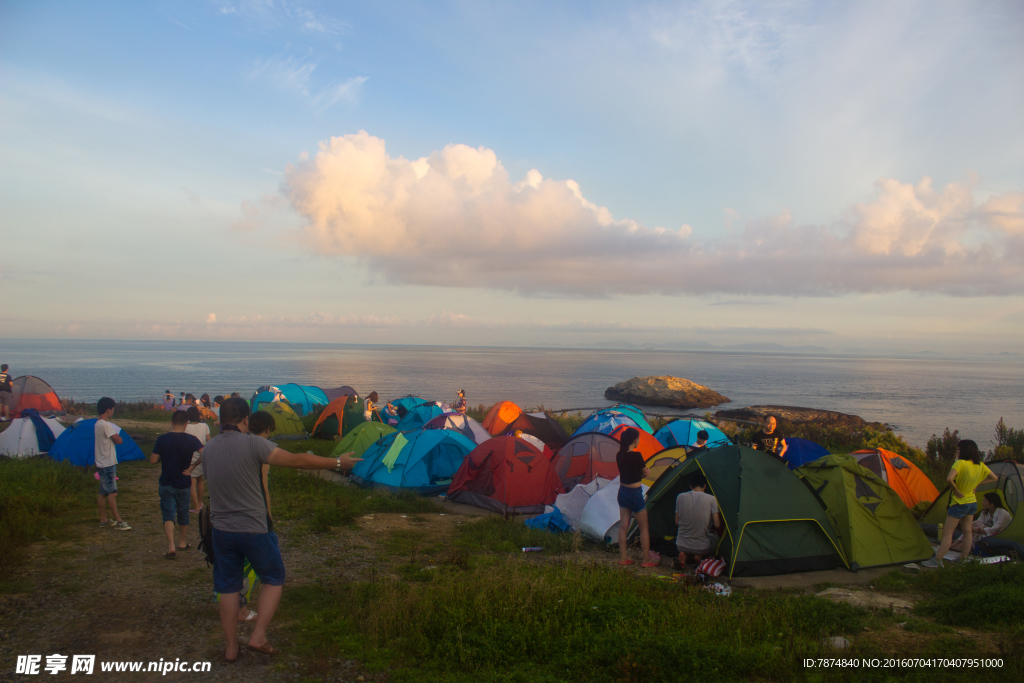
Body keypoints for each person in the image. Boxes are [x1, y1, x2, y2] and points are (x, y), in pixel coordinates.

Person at [197, 397, 362, 661]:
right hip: (254, 528)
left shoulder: (209, 449)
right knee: (273, 578)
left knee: (228, 587)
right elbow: (297, 460)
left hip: (221, 531)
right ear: (246, 420)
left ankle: (230, 648)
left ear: (220, 419)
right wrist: (338, 463)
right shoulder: (254, 443)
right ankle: (258, 635)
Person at [923, 440, 998, 568]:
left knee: (947, 533)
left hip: (959, 503)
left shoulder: (960, 463)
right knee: (967, 532)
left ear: (964, 450)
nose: (957, 452)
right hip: (972, 503)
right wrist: (977, 483)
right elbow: (994, 478)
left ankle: (937, 560)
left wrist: (956, 490)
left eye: (958, 449)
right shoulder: (980, 465)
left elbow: (949, 479)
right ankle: (963, 559)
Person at [151, 410, 204, 559]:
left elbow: (153, 460)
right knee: (183, 512)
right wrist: (193, 466)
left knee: (168, 513)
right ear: (186, 424)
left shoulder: (162, 439)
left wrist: (163, 457)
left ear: (171, 423)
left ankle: (171, 545)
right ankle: (182, 541)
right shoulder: (191, 439)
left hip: (166, 481)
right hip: (184, 482)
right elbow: (205, 452)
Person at [615, 427, 656, 567]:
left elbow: (628, 472)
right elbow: (645, 473)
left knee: (623, 526)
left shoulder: (619, 455)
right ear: (634, 440)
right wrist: (646, 473)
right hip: (635, 493)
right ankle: (646, 560)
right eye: (638, 438)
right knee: (644, 528)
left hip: (622, 492)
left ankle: (624, 557)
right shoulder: (637, 455)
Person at [95, 397, 131, 530]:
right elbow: (118, 440)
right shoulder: (105, 425)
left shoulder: (97, 424)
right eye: (113, 409)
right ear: (108, 410)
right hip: (107, 463)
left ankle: (103, 519)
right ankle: (119, 521)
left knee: (103, 492)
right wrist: (117, 435)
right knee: (112, 492)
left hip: (101, 461)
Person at [675, 472, 722, 566]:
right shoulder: (712, 499)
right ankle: (699, 557)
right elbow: (717, 525)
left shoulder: (680, 497)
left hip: (680, 545)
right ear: (705, 486)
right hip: (701, 547)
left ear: (690, 486)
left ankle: (684, 555)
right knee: (715, 539)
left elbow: (677, 522)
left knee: (685, 541)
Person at [185, 407, 211, 513]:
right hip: (201, 455)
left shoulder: (186, 427)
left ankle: (196, 506)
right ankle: (199, 502)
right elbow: (209, 441)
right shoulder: (204, 426)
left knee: (191, 483)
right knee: (201, 481)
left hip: (189, 456)